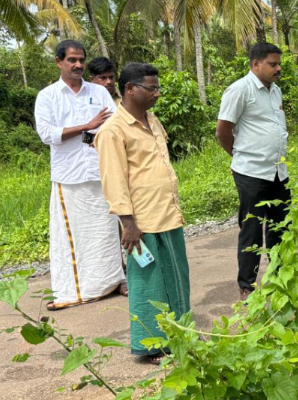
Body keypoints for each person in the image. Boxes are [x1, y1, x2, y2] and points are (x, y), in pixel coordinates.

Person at [95, 62, 190, 365]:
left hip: (167, 213)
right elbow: (114, 179)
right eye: (151, 88)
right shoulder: (112, 131)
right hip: (142, 221)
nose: (157, 94)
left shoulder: (152, 119)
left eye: (157, 88)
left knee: (176, 276)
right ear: (130, 89)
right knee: (149, 282)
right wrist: (128, 223)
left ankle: (180, 333)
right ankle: (152, 345)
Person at [34, 40, 126, 311]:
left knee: (105, 232)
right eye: (72, 60)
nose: (77, 65)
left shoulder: (98, 92)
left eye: (81, 60)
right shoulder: (48, 96)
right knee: (73, 235)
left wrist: (86, 132)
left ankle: (111, 282)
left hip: (100, 171)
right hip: (69, 176)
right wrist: (87, 126)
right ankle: (74, 290)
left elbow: (110, 128)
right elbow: (48, 134)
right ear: (59, 62)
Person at [216, 42, 290, 301]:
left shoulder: (275, 91)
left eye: (279, 63)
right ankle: (247, 285)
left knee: (280, 227)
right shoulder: (239, 90)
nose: (278, 68)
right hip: (251, 173)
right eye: (273, 64)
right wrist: (240, 157)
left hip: (278, 171)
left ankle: (280, 276)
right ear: (255, 64)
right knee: (251, 228)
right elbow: (223, 131)